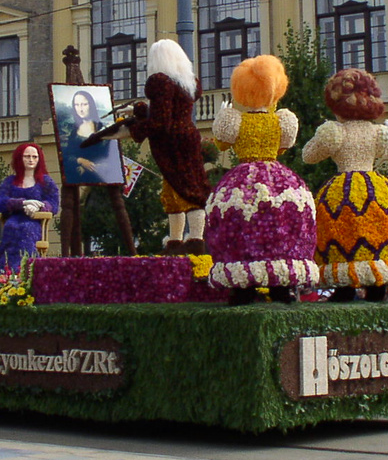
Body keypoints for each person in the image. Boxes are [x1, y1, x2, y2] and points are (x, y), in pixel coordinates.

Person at [203, 55, 318, 305]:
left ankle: (243, 286)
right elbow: (285, 146)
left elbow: (222, 142)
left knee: (239, 221)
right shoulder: (280, 120)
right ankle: (282, 286)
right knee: (283, 220)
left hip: (241, 180)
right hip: (279, 179)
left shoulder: (235, 120)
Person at [302, 69, 388, 302]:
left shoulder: (335, 132)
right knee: (379, 232)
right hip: (378, 189)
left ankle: (345, 288)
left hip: (342, 190)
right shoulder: (379, 132)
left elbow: (309, 155)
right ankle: (377, 287)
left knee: (343, 233)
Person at [124, 40, 211, 255]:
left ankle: (190, 239)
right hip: (189, 137)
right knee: (181, 186)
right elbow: (170, 111)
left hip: (172, 142)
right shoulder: (187, 82)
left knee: (183, 189)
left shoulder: (160, 81)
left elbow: (161, 121)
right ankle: (181, 240)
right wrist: (140, 110)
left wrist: (135, 129)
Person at [0, 143, 59, 272]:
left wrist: (38, 207)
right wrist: (23, 204)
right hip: (14, 219)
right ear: (20, 158)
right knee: (11, 227)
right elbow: (0, 202)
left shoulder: (45, 182)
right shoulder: (10, 181)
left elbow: (54, 203)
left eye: (34, 157)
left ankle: (26, 268)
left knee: (26, 229)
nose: (31, 160)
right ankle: (6, 269)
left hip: (35, 221)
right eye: (27, 156)